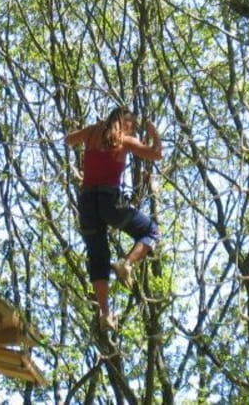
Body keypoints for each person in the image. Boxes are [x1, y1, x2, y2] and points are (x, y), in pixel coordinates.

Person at [65, 107, 163, 332]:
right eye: (132, 125)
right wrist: (154, 134)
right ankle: (126, 264)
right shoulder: (125, 141)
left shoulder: (92, 133)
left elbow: (69, 139)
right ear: (124, 122)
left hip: (87, 202)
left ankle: (105, 314)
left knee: (98, 259)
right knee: (152, 232)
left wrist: (91, 132)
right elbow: (156, 153)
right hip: (111, 202)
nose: (133, 129)